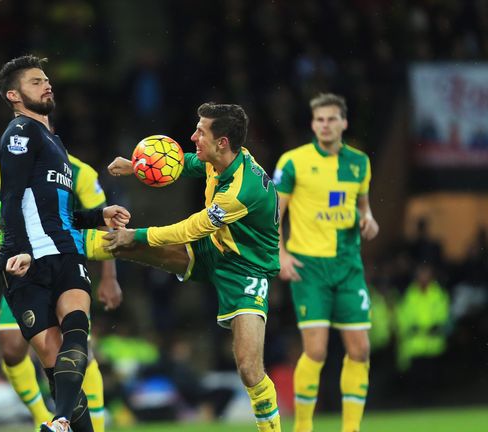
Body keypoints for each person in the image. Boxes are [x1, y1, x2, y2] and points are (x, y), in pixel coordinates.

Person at [105, 102, 282, 432]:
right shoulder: (219, 161)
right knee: (123, 244)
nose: (192, 136)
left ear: (222, 142)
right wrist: (137, 165)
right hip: (215, 248)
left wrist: (139, 232)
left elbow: (191, 229)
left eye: (201, 132)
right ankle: (86, 244)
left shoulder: (243, 190)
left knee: (248, 367)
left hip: (246, 268)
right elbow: (186, 163)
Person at [0, 55, 130, 432]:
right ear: (14, 95)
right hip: (27, 260)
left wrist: (96, 217)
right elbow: (12, 196)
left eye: (47, 80)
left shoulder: (55, 143)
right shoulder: (21, 133)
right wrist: (18, 249)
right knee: (55, 360)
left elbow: (63, 213)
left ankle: (58, 422)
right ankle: (63, 420)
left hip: (67, 252)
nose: (47, 85)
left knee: (76, 333)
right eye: (36, 81)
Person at [0, 153, 122, 431]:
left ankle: (90, 425)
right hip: (20, 268)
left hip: (65, 258)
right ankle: (45, 415)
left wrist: (109, 278)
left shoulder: (80, 172)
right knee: (12, 348)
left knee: (75, 348)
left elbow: (104, 224)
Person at [273, 93, 379, 432]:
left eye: (332, 119)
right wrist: (281, 254)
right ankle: (303, 427)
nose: (325, 125)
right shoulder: (293, 162)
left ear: (344, 123)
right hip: (309, 267)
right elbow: (275, 213)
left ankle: (351, 429)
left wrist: (369, 220)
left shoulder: (359, 163)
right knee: (316, 351)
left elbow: (363, 206)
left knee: (360, 349)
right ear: (312, 124)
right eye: (319, 119)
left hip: (348, 266)